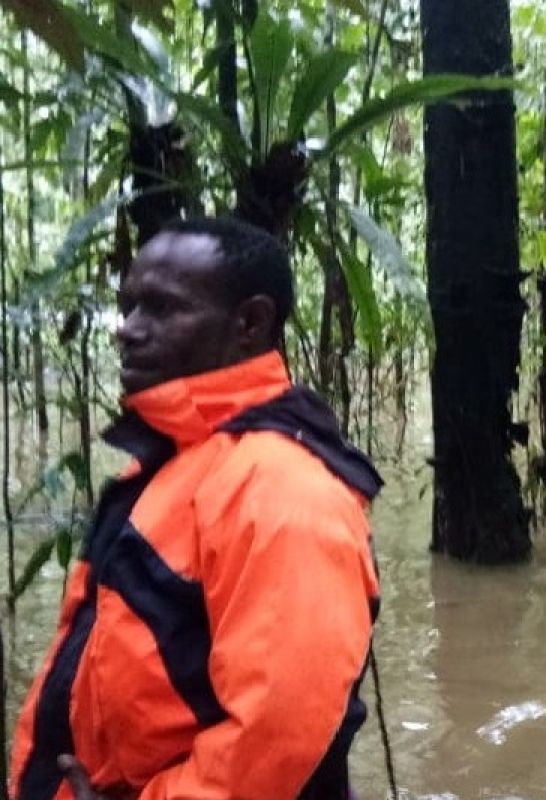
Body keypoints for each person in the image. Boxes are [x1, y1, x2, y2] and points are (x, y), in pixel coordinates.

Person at [10, 217, 383, 800]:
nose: (127, 330)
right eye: (128, 306)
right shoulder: (180, 461)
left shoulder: (281, 490)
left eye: (160, 309)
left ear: (249, 323)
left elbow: (274, 738)